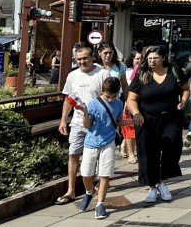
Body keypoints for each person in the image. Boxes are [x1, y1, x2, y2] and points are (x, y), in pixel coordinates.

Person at [127, 45, 190, 203]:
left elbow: (185, 88)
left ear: (163, 58)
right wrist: (136, 113)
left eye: (154, 58)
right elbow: (131, 98)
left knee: (172, 146)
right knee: (148, 153)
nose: (151, 61)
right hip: (146, 119)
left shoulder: (173, 70)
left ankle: (161, 180)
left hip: (171, 118)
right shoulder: (142, 74)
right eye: (148, 59)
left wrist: (183, 100)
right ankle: (153, 186)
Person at [56, 46, 110, 205]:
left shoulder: (102, 74)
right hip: (78, 122)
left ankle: (99, 187)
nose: (82, 62)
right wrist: (63, 120)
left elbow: (109, 97)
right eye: (79, 59)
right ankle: (71, 191)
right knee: (73, 154)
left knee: (99, 156)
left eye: (85, 58)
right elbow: (68, 99)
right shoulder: (72, 76)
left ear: (93, 57)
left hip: (98, 124)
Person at [77, 77, 129, 219]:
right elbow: (87, 125)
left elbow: (117, 121)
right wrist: (85, 113)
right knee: (86, 173)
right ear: (102, 92)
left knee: (104, 174)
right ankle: (89, 191)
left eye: (113, 96)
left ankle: (100, 203)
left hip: (109, 141)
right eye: (107, 96)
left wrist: (131, 121)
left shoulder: (118, 103)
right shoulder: (93, 104)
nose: (111, 99)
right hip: (92, 141)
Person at [121, 51, 142, 163]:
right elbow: (126, 90)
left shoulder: (146, 72)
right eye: (136, 58)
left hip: (143, 103)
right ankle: (131, 154)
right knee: (129, 129)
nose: (138, 61)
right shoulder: (128, 72)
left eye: (141, 58)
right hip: (130, 102)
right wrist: (126, 104)